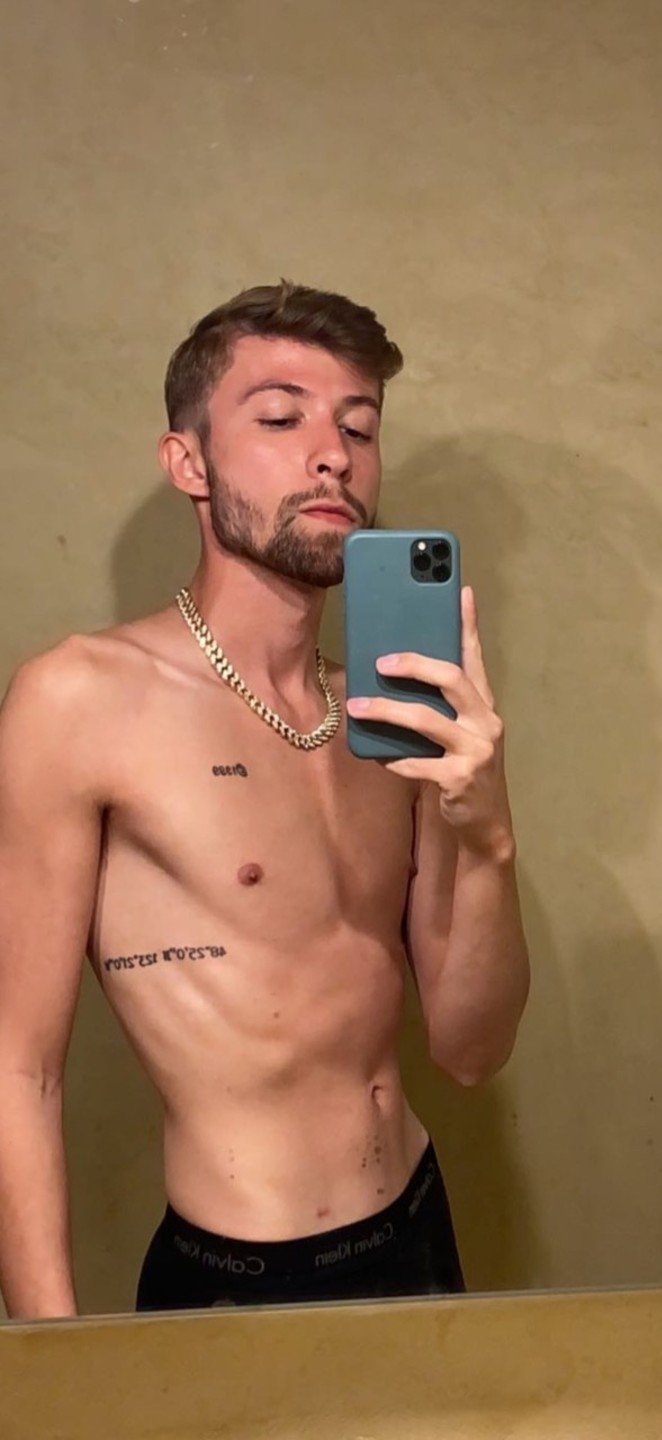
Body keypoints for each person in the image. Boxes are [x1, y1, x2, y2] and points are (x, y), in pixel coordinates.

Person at [0, 282, 530, 1318]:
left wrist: (489, 838)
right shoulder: (80, 700)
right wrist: (52, 1357)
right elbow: (18, 1069)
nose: (332, 454)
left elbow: (472, 1051)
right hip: (239, 1282)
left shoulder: (392, 713)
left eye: (358, 427)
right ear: (188, 462)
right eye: (282, 419)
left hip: (418, 1229)